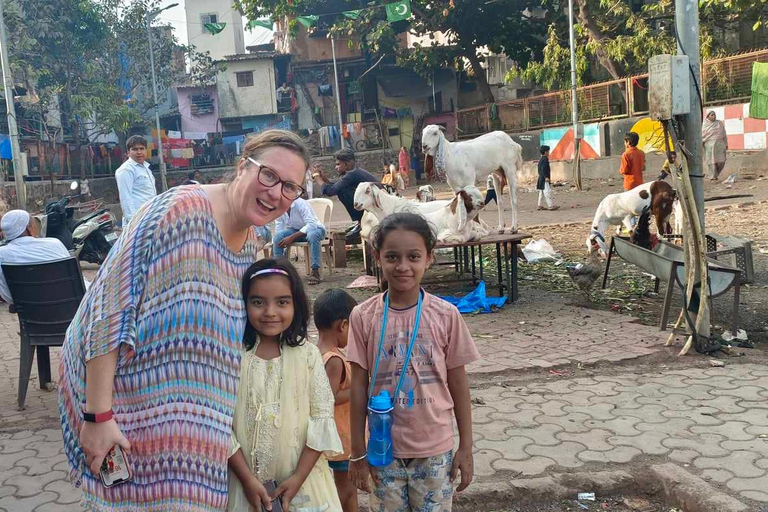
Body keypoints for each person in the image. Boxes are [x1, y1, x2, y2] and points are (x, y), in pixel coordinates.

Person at [58, 130, 311, 512]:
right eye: (269, 175)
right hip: (127, 419)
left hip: (196, 438)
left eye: (291, 187)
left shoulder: (253, 242)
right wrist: (98, 415)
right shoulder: (179, 212)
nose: (276, 193)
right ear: (243, 166)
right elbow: (108, 309)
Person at [347, 212, 479, 512]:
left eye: (413, 256)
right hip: (382, 451)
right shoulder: (364, 317)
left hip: (435, 450)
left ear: (429, 258)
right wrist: (357, 452)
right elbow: (357, 386)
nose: (403, 266)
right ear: (378, 257)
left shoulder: (446, 315)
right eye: (392, 257)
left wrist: (466, 447)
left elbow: (458, 383)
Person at [228, 259, 343, 512]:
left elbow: (321, 418)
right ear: (243, 304)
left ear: (296, 305)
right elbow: (221, 426)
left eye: (282, 302)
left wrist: (297, 479)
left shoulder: (308, 356)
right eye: (258, 302)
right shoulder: (232, 356)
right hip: (244, 486)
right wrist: (247, 480)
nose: (270, 312)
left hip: (305, 485)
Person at [315, 289, 360, 512]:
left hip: (331, 436)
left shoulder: (315, 352)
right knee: (348, 487)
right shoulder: (334, 360)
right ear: (343, 325)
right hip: (341, 437)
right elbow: (329, 398)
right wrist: (360, 391)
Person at [0, 209, 70, 304]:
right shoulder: (55, 243)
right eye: (34, 224)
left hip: (30, 310)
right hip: (69, 305)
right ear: (28, 228)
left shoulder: (2, 254)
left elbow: (6, 294)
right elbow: (69, 276)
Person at [314, 148, 378, 240]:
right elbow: (336, 185)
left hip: (374, 207)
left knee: (342, 192)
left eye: (338, 164)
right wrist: (323, 177)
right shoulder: (354, 172)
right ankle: (360, 222)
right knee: (342, 189)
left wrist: (316, 177)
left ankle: (361, 222)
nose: (336, 167)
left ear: (346, 164)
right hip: (374, 204)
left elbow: (331, 191)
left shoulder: (352, 174)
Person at [273, 196, 327, 285]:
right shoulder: (279, 207)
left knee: (312, 235)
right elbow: (279, 225)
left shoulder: (300, 203)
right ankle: (280, 271)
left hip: (315, 229)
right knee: (278, 237)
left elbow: (312, 224)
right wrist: (278, 243)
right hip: (296, 230)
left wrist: (291, 237)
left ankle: (315, 271)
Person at [115, 135, 157, 227]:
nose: (139, 152)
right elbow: (126, 198)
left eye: (142, 149)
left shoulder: (146, 168)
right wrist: (133, 224)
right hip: (137, 222)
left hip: (150, 219)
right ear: (128, 152)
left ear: (146, 150)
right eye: (134, 149)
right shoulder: (126, 170)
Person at [702, 111, 728, 181]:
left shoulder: (719, 123)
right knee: (712, 162)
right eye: (712, 115)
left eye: (715, 115)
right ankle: (712, 177)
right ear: (708, 116)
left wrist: (726, 144)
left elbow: (724, 134)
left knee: (722, 161)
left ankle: (716, 174)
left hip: (720, 144)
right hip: (709, 146)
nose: (714, 116)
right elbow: (702, 136)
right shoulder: (704, 124)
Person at [537, 145, 559, 211]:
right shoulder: (545, 159)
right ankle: (550, 206)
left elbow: (539, 169)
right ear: (545, 152)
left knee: (541, 193)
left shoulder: (541, 159)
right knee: (547, 192)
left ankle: (540, 205)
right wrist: (546, 177)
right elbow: (543, 169)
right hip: (544, 179)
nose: (549, 152)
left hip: (540, 178)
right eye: (548, 151)